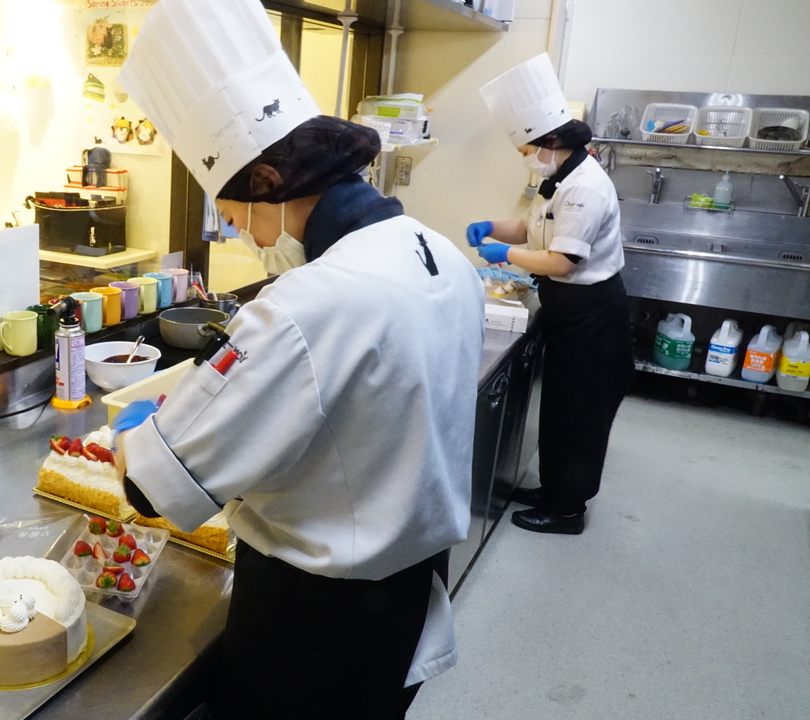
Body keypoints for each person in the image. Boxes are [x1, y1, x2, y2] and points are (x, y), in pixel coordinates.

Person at [113, 1, 485, 716]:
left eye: (231, 212)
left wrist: (138, 435)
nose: (239, 234)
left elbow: (156, 489)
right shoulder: (439, 254)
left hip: (315, 624)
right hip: (401, 601)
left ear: (268, 186)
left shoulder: (310, 302)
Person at [468, 54, 634, 535]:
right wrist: (495, 228)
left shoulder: (585, 189)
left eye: (527, 148)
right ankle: (553, 490)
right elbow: (534, 228)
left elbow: (562, 261)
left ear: (552, 141)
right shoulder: (558, 177)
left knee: (579, 415)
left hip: (591, 315)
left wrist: (503, 254)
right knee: (560, 408)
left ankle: (567, 511)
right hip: (569, 311)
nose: (525, 156)